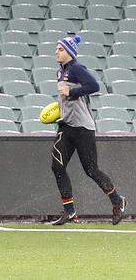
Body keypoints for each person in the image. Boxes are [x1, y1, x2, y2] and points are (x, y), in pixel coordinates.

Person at [50, 35, 126, 225]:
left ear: (69, 51)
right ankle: (70, 211)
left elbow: (94, 85)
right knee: (57, 166)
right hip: (66, 126)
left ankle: (118, 201)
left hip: (83, 127)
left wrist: (72, 92)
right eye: (56, 49)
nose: (56, 52)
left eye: (60, 49)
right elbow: (65, 98)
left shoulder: (76, 68)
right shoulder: (60, 72)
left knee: (91, 170)